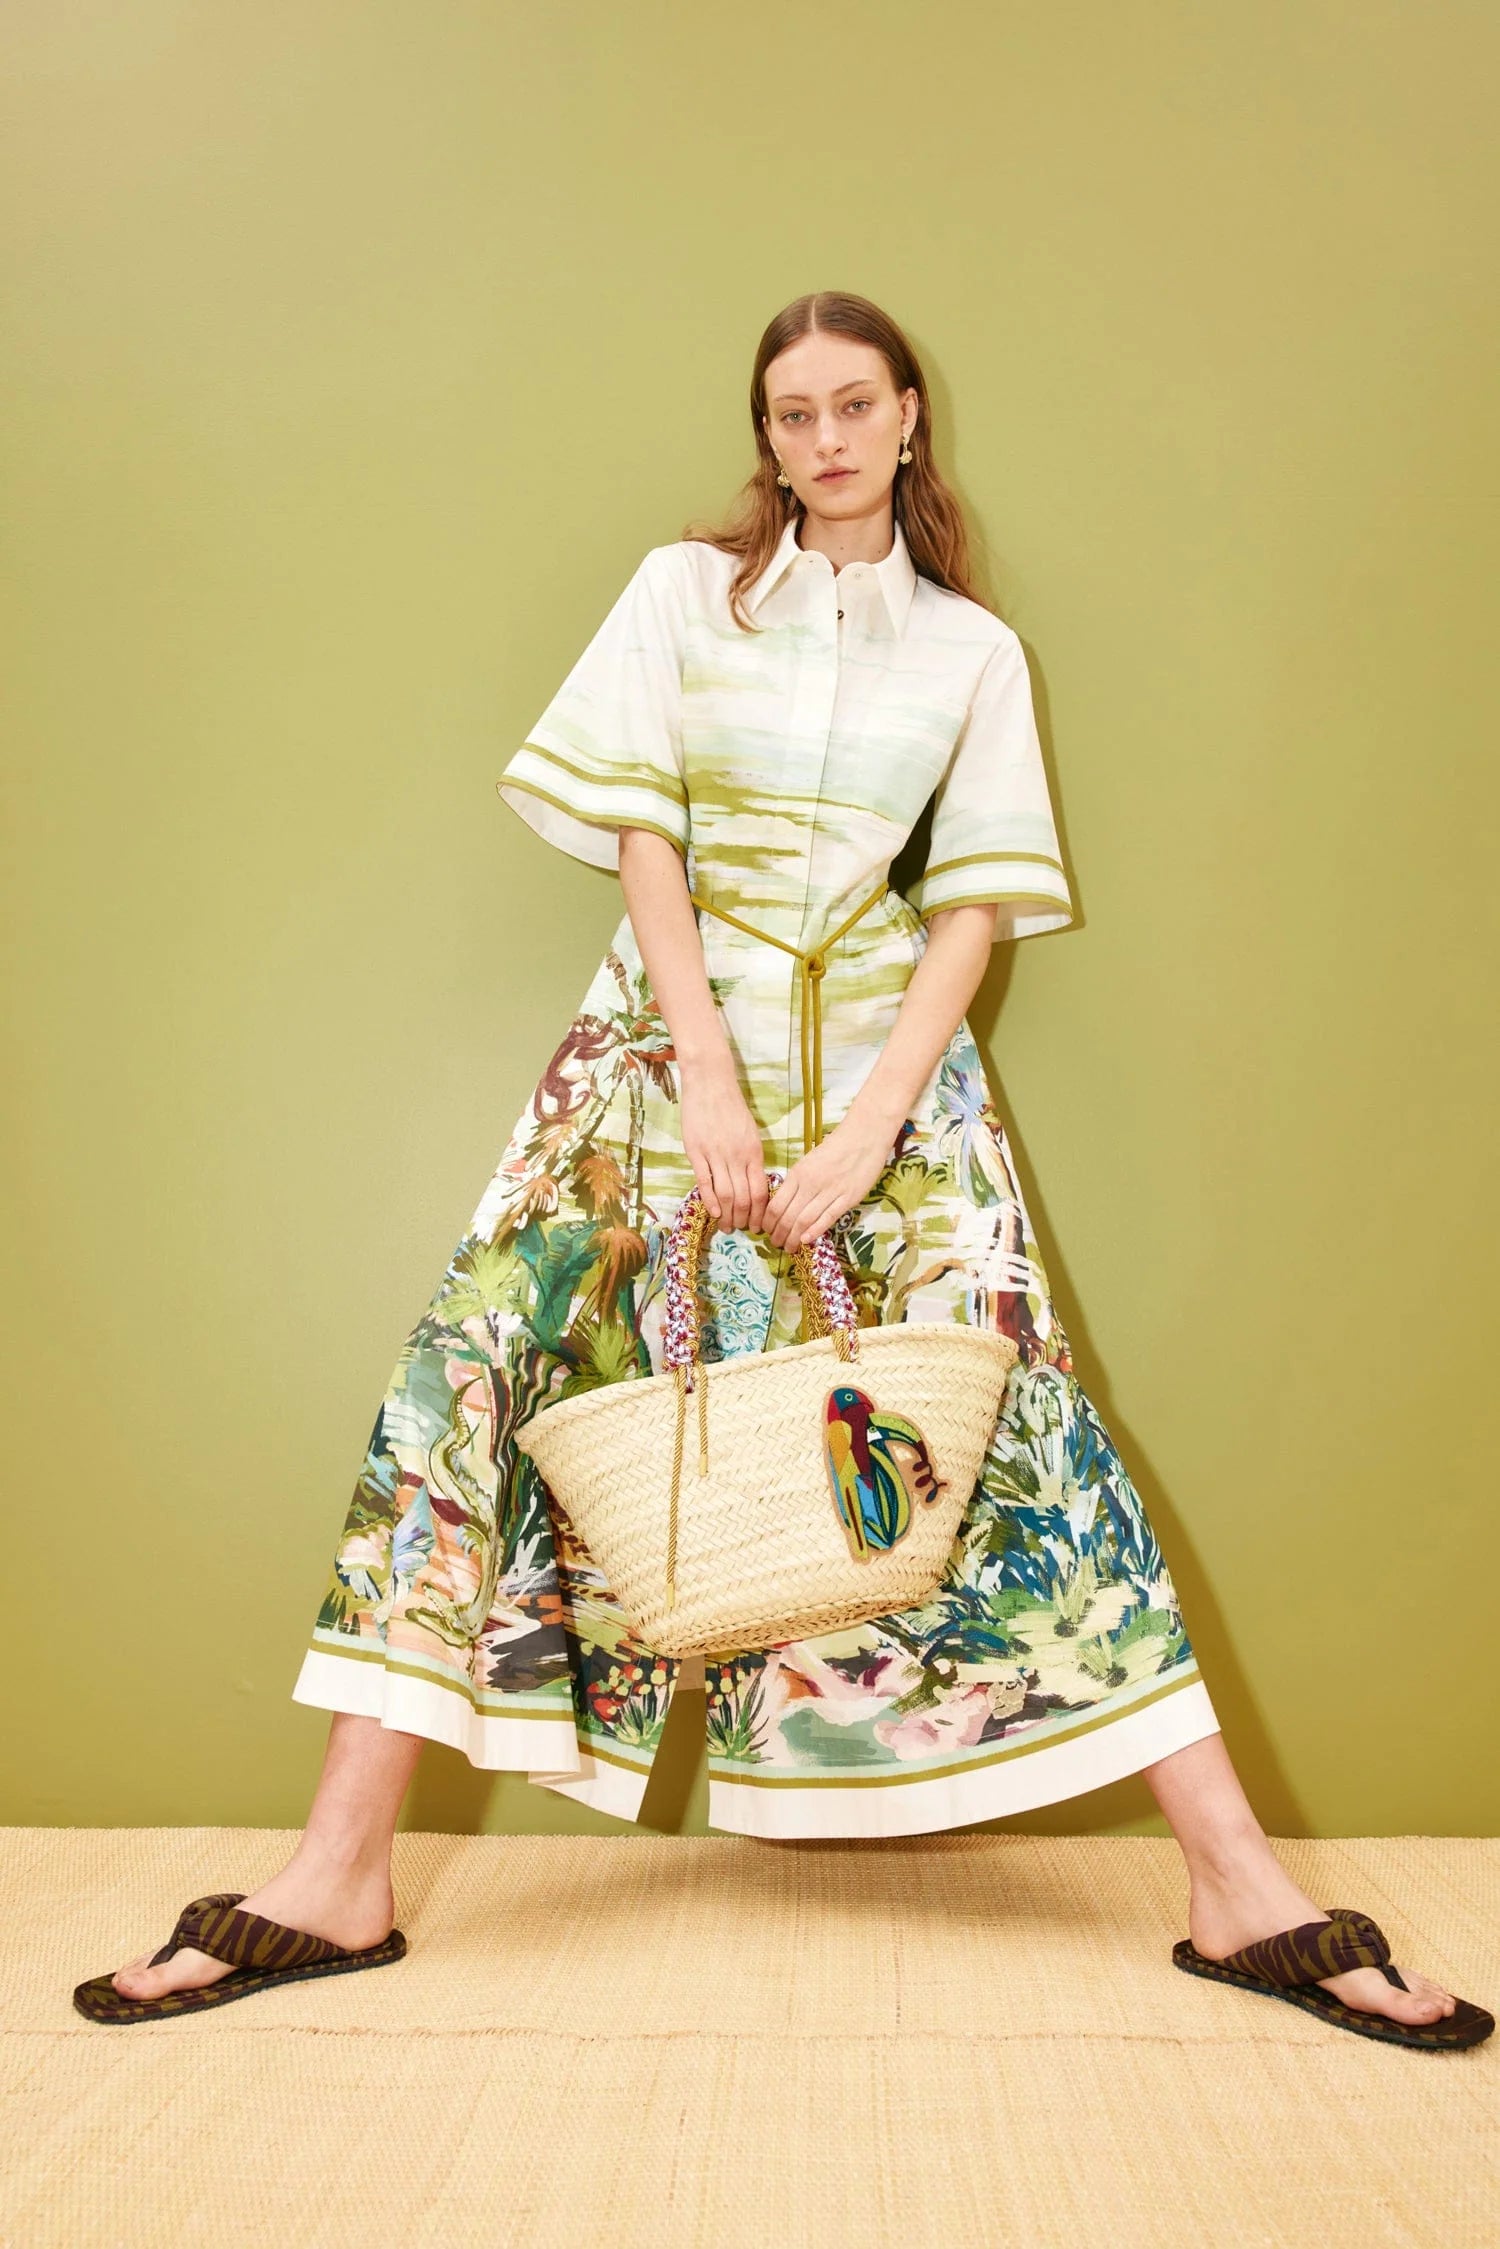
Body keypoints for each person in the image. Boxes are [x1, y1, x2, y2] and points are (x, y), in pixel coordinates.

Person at [75, 291, 1490, 2049]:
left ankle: (1237, 1884)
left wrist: (877, 1122)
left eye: (853, 406)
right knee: (471, 1376)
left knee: (1023, 1427)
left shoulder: (973, 651)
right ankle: (336, 1871)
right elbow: (642, 838)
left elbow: (972, 905)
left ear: (910, 420)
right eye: (791, 413)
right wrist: (712, 1082)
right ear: (771, 436)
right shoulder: (682, 594)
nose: (822, 439)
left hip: (898, 1081)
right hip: (660, 1057)